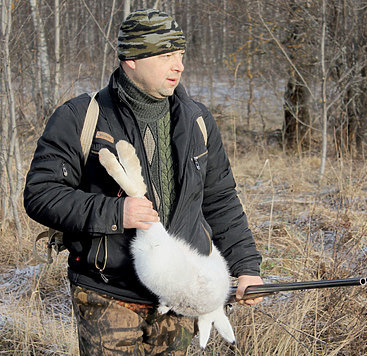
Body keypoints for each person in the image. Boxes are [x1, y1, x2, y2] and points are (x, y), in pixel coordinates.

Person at [24, 9, 263, 355]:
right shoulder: (80, 117)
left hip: (180, 293)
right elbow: (41, 194)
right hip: (107, 292)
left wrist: (245, 267)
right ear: (131, 59)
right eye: (167, 56)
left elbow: (220, 199)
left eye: (180, 55)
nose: (179, 65)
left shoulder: (197, 120)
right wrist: (117, 212)